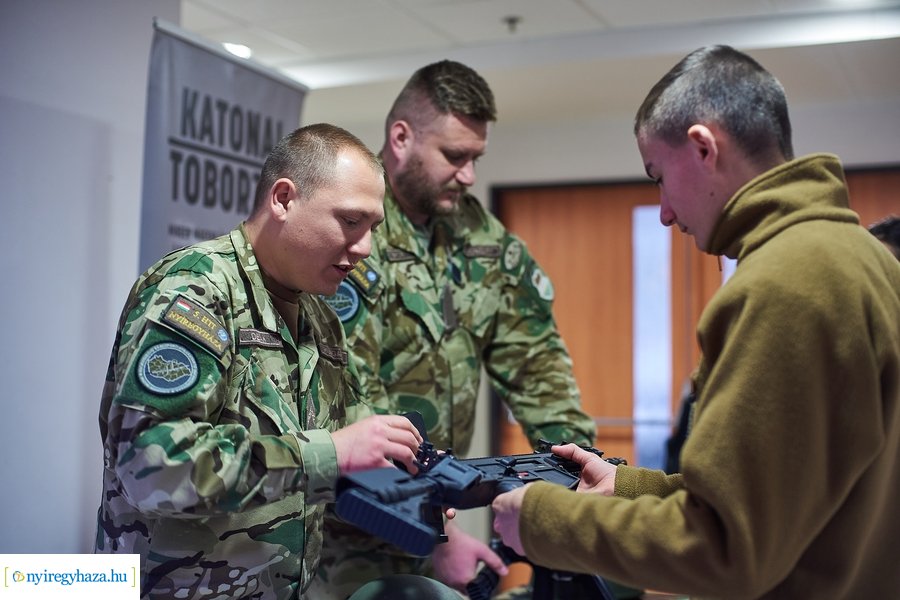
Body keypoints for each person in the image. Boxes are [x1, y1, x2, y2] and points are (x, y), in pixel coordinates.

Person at [491, 45, 900, 598]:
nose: (663, 211)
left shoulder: (785, 280)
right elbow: (783, 494)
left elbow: (725, 547)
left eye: (659, 177)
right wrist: (628, 488)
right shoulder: (863, 257)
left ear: (703, 147)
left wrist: (542, 521)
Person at [93, 123, 459, 599]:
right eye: (351, 222)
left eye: (373, 228)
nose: (365, 248)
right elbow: (152, 463)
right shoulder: (196, 289)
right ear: (284, 199)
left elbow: (339, 428)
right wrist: (332, 453)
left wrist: (407, 469)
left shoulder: (320, 318)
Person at [313, 60, 597, 597]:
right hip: (348, 532)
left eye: (476, 158)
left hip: (439, 512)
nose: (469, 175)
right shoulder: (347, 232)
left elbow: (538, 368)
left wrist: (576, 482)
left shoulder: (484, 239)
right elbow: (349, 397)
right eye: (454, 156)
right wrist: (443, 537)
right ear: (401, 138)